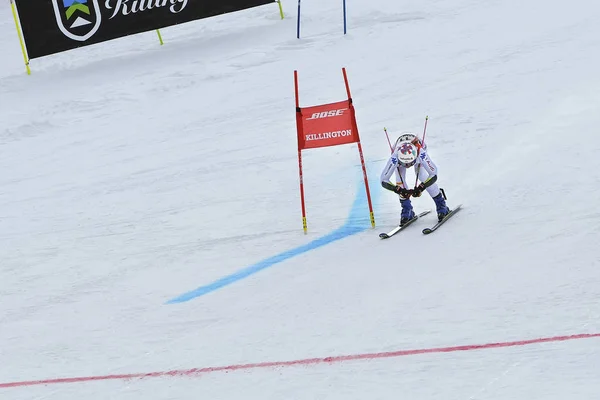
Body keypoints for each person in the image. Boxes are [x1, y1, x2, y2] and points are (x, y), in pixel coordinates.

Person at [380, 133, 450, 226]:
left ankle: (441, 205)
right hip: (400, 148)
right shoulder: (395, 157)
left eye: (410, 163)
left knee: (422, 176)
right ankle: (407, 209)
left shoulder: (421, 154)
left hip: (416, 150)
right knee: (400, 181)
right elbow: (383, 180)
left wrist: (422, 187)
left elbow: (433, 173)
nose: (408, 166)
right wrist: (398, 190)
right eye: (405, 164)